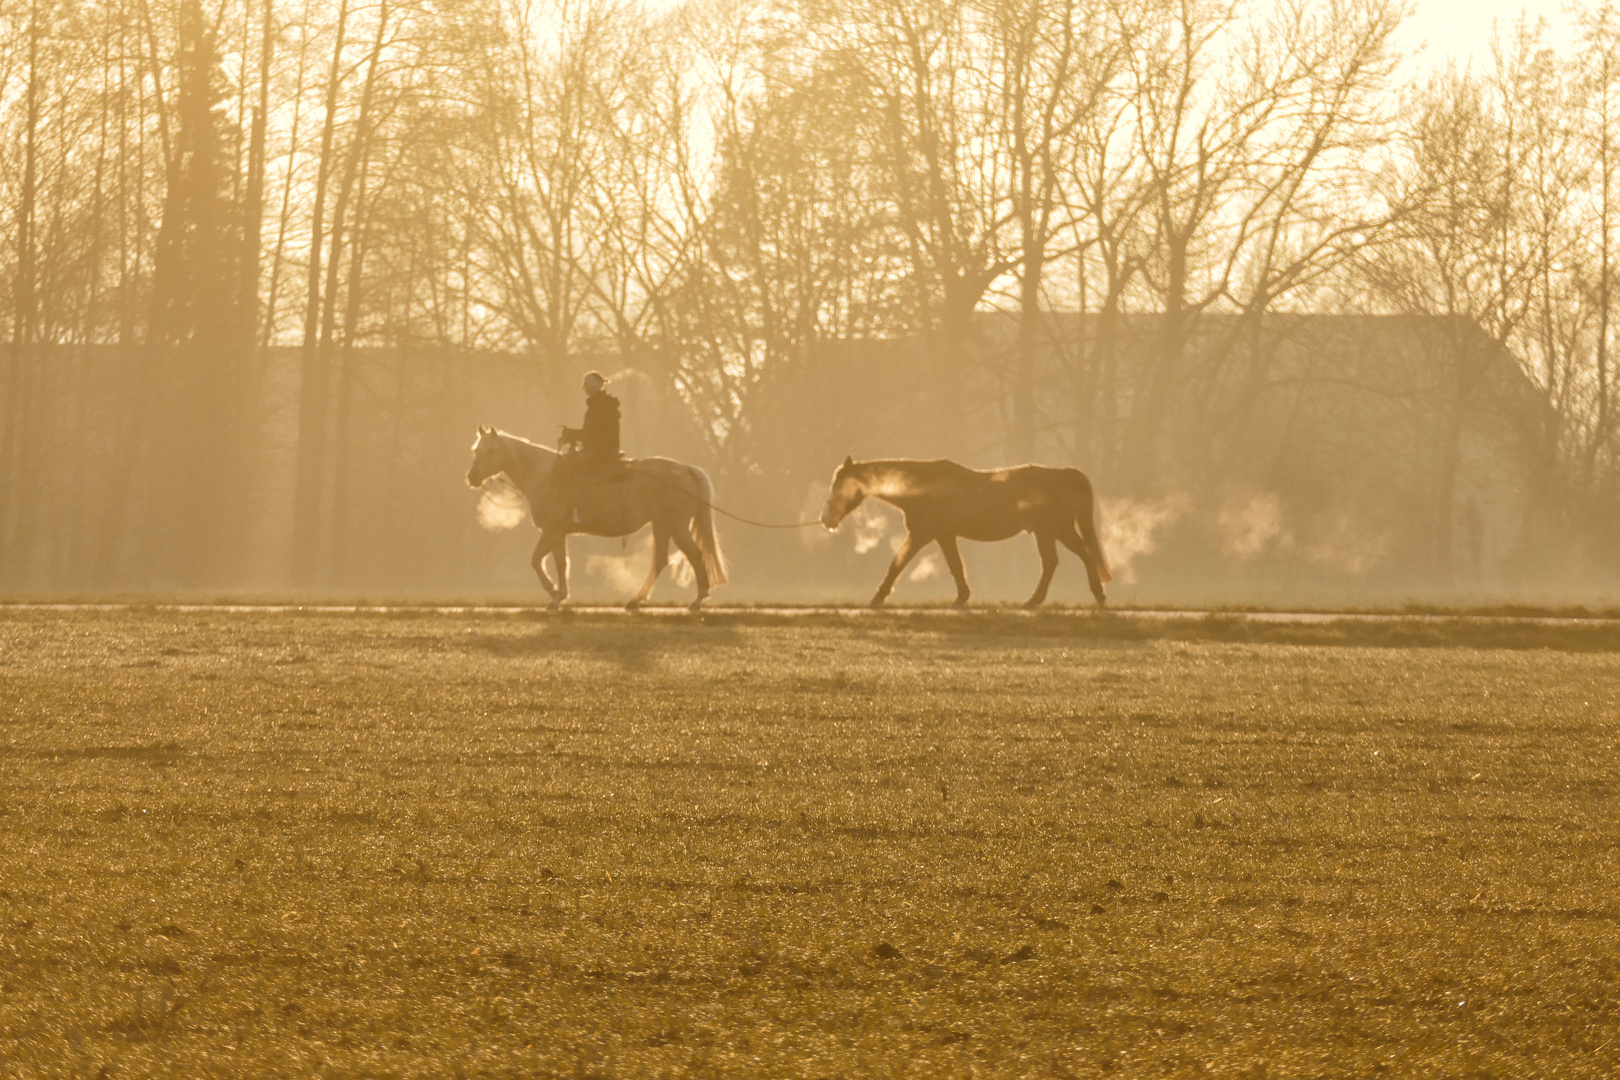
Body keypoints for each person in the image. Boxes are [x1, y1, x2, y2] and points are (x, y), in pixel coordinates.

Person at [557, 371, 623, 524]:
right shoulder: (601, 403)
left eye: (585, 384)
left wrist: (571, 435)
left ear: (593, 386)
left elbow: (593, 434)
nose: (583, 387)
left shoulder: (599, 406)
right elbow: (592, 432)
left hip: (601, 452)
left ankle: (580, 511)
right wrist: (572, 434)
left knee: (572, 471)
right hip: (602, 449)